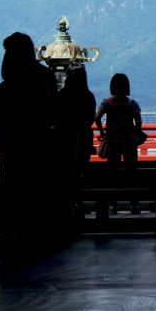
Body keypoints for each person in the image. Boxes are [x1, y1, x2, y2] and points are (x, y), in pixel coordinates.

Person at [0, 32, 61, 238]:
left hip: (13, 148)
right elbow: (52, 114)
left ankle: (8, 226)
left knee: (11, 189)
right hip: (38, 146)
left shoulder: (5, 89)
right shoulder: (44, 79)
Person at [95, 73, 143, 214]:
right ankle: (134, 205)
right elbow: (139, 124)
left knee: (113, 173)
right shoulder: (132, 104)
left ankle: (112, 205)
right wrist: (133, 130)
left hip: (113, 142)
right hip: (129, 141)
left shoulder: (107, 103)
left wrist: (102, 131)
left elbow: (97, 118)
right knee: (131, 173)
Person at [57, 66, 97, 218]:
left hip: (66, 135)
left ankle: (68, 203)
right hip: (84, 136)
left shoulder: (62, 95)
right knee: (82, 169)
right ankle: (80, 202)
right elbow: (90, 117)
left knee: (67, 171)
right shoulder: (88, 96)